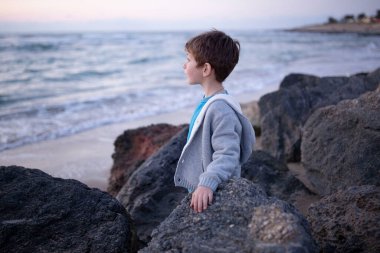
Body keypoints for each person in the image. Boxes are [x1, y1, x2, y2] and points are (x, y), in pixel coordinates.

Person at [174, 30, 255, 213]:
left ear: (205, 69)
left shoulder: (220, 109)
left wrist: (207, 183)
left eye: (188, 59)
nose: (184, 65)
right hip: (201, 189)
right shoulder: (209, 101)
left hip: (213, 190)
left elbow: (228, 153)